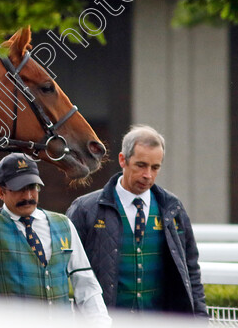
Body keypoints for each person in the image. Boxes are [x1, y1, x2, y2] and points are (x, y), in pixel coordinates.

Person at [0, 152, 111, 324]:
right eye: (19, 189)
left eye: (33, 187)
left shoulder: (64, 224)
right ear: (0, 192)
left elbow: (86, 284)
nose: (28, 196)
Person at [66, 125, 208, 316]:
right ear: (122, 160)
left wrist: (200, 317)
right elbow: (62, 269)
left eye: (155, 167)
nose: (147, 175)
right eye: (141, 165)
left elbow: (191, 269)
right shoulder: (85, 209)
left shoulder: (173, 208)